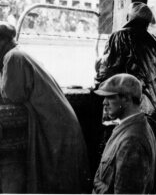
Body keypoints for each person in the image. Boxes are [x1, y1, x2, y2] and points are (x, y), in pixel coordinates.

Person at [0, 22, 89, 193]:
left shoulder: (13, 57)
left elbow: (12, 96)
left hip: (55, 127)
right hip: (58, 124)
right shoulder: (18, 54)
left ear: (2, 41)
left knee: (55, 179)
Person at [95, 2, 156, 192]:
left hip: (138, 109)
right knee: (151, 173)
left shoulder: (119, 36)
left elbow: (105, 75)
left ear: (128, 19)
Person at [93, 73, 156, 194]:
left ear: (126, 99)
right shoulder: (132, 126)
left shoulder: (132, 140)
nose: (104, 103)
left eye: (110, 97)